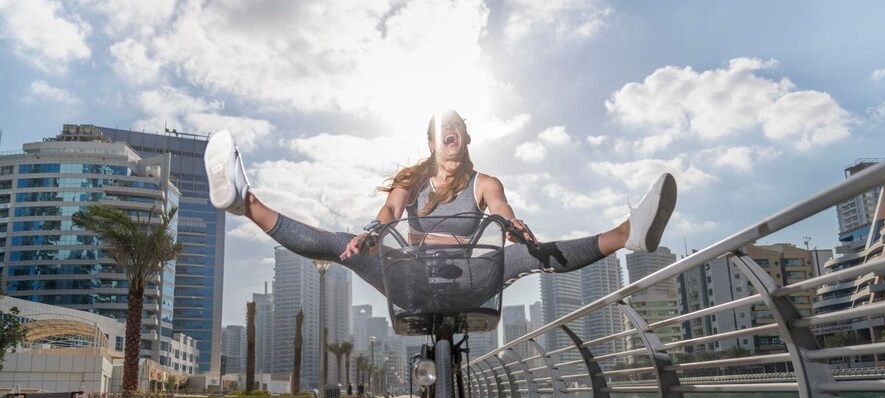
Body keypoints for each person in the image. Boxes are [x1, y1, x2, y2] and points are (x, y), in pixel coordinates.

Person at [204, 110, 676, 298]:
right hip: (408, 273)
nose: (448, 132)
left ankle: (627, 234)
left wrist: (515, 228)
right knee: (340, 245)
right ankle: (245, 202)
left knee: (527, 255)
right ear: (432, 142)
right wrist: (372, 230)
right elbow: (391, 212)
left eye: (455, 126)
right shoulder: (413, 177)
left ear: (465, 138)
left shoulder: (486, 181)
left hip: (469, 275)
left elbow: (500, 210)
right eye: (439, 128)